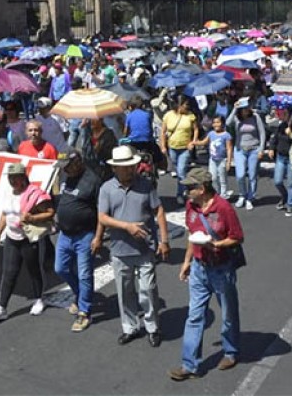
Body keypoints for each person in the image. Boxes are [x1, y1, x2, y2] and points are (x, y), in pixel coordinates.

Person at [168, 168, 244, 381]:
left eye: (190, 187)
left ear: (202, 189)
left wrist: (217, 244)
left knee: (228, 313)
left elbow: (237, 237)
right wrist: (187, 261)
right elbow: (193, 235)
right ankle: (189, 364)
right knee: (194, 315)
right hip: (200, 268)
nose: (187, 191)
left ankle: (231, 351)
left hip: (221, 268)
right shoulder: (191, 206)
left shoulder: (224, 208)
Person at [98, 145, 170, 347]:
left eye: (132, 166)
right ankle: (130, 327)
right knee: (125, 291)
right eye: (125, 167)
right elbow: (102, 217)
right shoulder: (107, 189)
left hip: (145, 249)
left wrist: (164, 240)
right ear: (115, 169)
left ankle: (152, 327)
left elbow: (159, 211)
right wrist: (126, 226)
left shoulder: (146, 185)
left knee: (148, 290)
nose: (130, 170)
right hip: (120, 250)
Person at [0, 162, 55, 322]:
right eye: (10, 178)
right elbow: (4, 214)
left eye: (15, 177)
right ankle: (1, 307)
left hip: (28, 239)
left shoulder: (34, 194)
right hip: (12, 238)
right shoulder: (8, 192)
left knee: (33, 270)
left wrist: (32, 218)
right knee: (9, 272)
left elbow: (50, 213)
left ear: (23, 177)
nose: (12, 181)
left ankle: (39, 299)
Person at [53, 152, 103, 332]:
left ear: (78, 162)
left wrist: (98, 237)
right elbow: (61, 198)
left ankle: (84, 312)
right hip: (65, 234)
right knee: (60, 268)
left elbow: (102, 212)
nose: (65, 169)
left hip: (85, 235)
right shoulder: (65, 175)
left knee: (84, 274)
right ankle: (81, 294)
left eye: (68, 165)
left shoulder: (93, 181)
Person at [160, 95, 199, 204]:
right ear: (179, 105)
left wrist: (193, 142)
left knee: (181, 171)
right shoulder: (168, 115)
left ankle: (181, 194)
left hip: (185, 148)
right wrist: (163, 146)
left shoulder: (190, 116)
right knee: (179, 171)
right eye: (185, 104)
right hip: (172, 147)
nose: (187, 106)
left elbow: (196, 130)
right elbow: (163, 132)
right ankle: (186, 187)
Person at [229, 97, 266, 211]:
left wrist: (261, 149)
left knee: (252, 175)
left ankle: (250, 197)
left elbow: (262, 133)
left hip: (254, 149)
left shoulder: (255, 117)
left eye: (247, 108)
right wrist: (234, 109)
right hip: (240, 149)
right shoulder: (236, 117)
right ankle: (242, 195)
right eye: (243, 108)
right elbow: (227, 123)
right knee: (240, 175)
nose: (245, 110)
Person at [269, 107, 292, 216]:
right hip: (281, 157)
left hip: (291, 158)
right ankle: (285, 196)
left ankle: (290, 205)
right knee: (277, 181)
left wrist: (291, 135)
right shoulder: (281, 126)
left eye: (286, 113)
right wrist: (271, 148)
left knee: (291, 183)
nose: (284, 115)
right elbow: (275, 139)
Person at [194, 116, 232, 199]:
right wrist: (195, 142)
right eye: (214, 122)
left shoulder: (226, 135)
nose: (216, 124)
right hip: (212, 159)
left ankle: (223, 195)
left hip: (222, 160)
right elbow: (204, 142)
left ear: (223, 123)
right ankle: (216, 193)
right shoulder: (211, 133)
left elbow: (229, 149)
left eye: (218, 122)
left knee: (222, 178)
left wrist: (229, 162)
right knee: (213, 177)